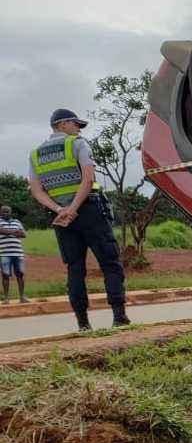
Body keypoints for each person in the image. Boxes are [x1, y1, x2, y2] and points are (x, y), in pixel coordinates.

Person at [29, 109, 129, 331]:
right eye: (75, 124)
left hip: (62, 218)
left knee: (75, 269)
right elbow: (88, 177)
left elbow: (36, 190)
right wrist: (74, 207)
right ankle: (119, 317)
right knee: (110, 263)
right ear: (63, 124)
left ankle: (83, 324)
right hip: (89, 211)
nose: (78, 129)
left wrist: (60, 209)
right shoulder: (77, 144)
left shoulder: (35, 154)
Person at [0, 205, 29, 304]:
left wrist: (7, 232)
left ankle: (22, 297)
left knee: (20, 275)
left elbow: (24, 234)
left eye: (7, 212)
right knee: (5, 275)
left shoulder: (17, 222)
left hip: (18, 252)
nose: (5, 213)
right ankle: (6, 298)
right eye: (3, 212)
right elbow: (1, 230)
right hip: (4, 253)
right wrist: (15, 232)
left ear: (11, 212)